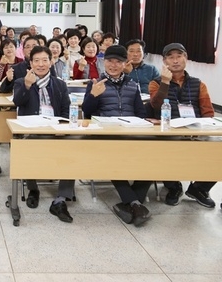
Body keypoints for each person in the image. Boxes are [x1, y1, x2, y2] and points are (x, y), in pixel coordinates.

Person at [81, 45, 150, 226]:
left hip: (131, 134)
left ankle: (128, 204)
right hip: (106, 136)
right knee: (112, 158)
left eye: (118, 62)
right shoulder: (96, 83)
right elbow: (86, 114)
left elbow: (141, 114)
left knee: (153, 157)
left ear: (125, 64)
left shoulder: (132, 85)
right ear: (104, 62)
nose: (113, 65)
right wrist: (93, 96)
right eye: (109, 61)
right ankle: (136, 203)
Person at [149, 43, 217, 208]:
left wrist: (202, 128)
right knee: (164, 149)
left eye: (179, 56)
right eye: (170, 57)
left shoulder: (198, 84)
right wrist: (165, 82)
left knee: (217, 152)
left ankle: (199, 188)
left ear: (185, 58)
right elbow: (156, 106)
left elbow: (208, 112)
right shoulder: (156, 83)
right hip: (168, 133)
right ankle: (173, 187)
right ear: (164, 62)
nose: (175, 61)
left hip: (195, 131)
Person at [12, 46, 73, 222]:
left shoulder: (60, 84)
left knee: (73, 148)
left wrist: (62, 129)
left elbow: (66, 111)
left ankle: (61, 199)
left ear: (51, 61)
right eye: (36, 61)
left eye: (44, 60)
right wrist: (27, 85)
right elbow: (17, 102)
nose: (40, 64)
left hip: (56, 130)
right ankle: (33, 189)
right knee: (26, 145)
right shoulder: (21, 82)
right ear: (30, 63)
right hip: (31, 131)